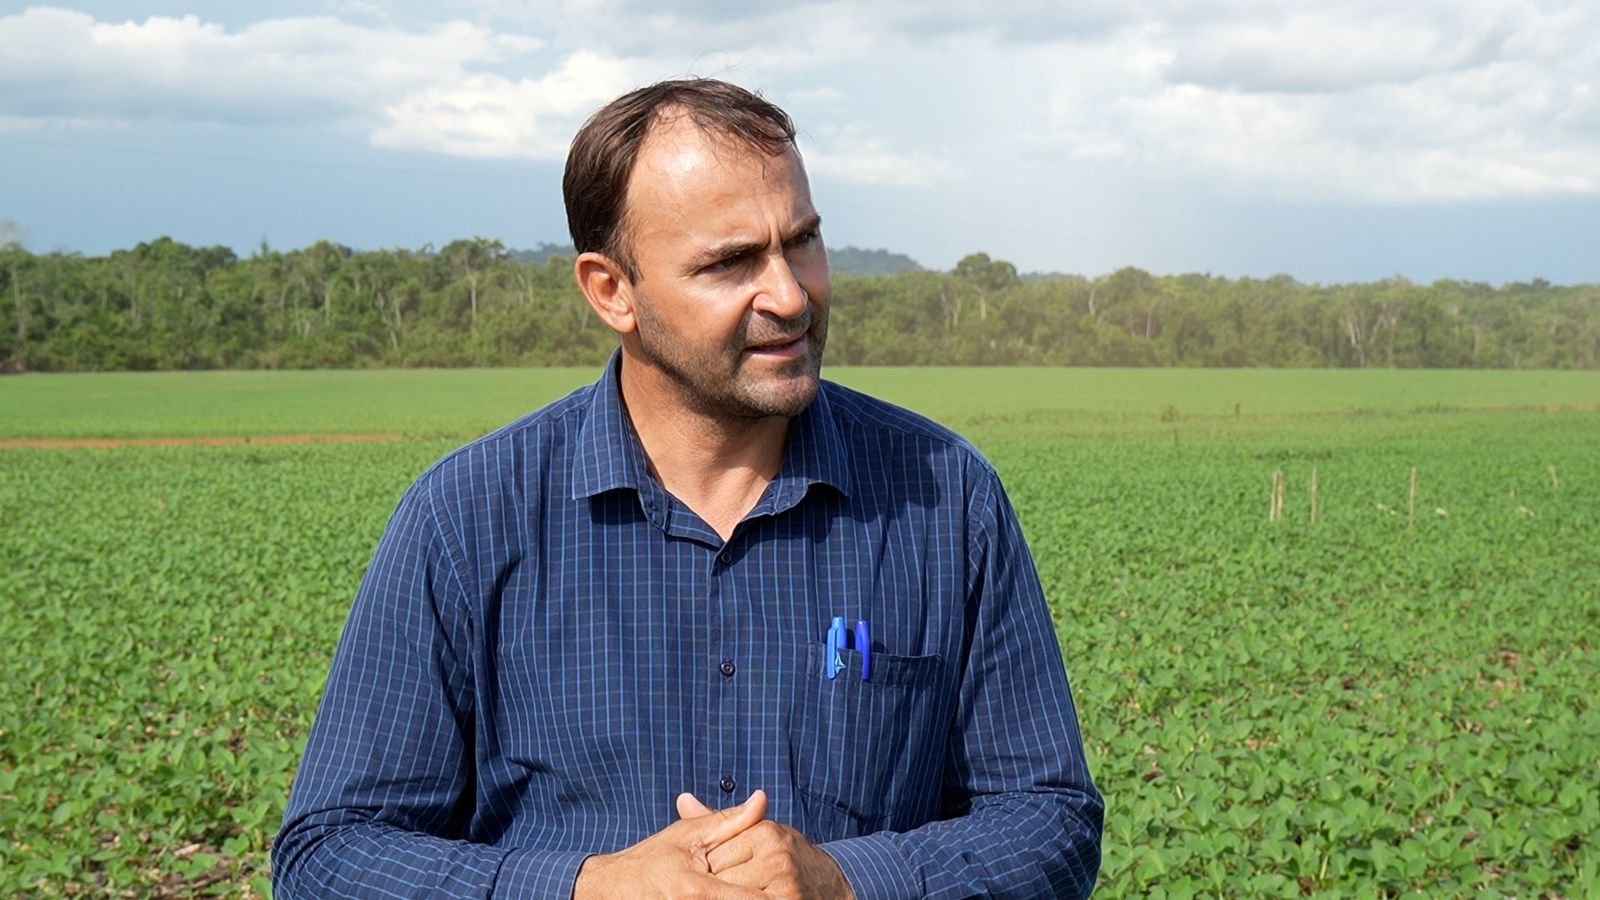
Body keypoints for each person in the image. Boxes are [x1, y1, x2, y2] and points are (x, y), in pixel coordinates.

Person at [273, 78, 1102, 898]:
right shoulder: (467, 519)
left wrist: (849, 879)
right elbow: (330, 857)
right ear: (613, 291)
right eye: (730, 262)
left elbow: (1050, 822)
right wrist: (584, 887)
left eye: (802, 241)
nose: (788, 295)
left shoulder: (944, 498)